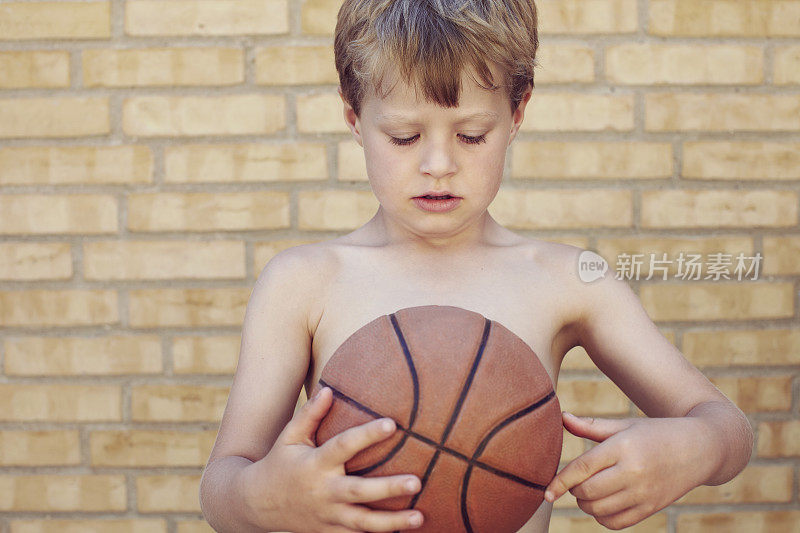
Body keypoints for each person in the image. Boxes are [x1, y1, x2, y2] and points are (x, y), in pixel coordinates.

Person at [198, 1, 754, 531]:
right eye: (403, 136)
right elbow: (221, 486)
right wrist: (263, 498)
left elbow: (728, 427)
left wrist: (695, 448)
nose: (438, 164)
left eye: (471, 135)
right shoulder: (304, 283)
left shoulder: (567, 280)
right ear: (353, 114)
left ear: (517, 112)